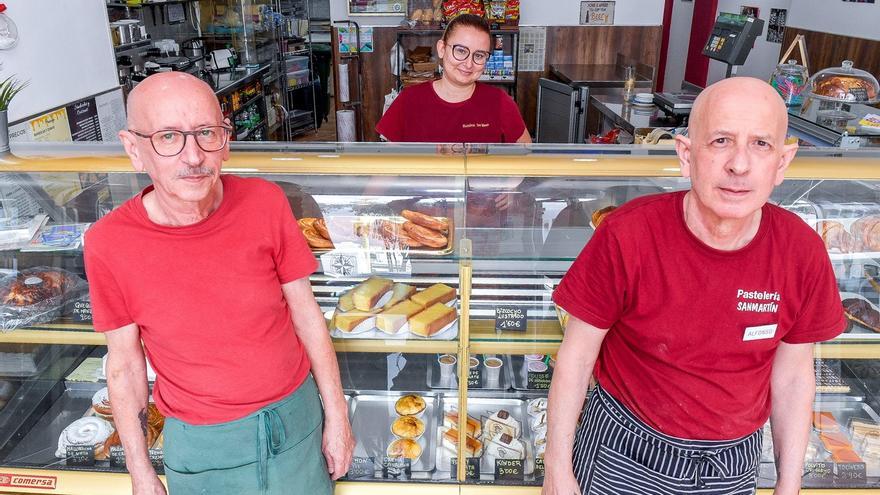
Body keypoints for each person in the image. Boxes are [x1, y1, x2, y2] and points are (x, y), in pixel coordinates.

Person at [543, 77, 846, 495]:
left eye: (761, 144)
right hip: (623, 450)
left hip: (733, 462)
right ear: (686, 155)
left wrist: (788, 484)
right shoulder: (628, 233)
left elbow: (793, 377)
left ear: (783, 161)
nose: (739, 165)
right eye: (720, 140)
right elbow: (576, 357)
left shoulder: (802, 252)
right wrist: (557, 468)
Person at [84, 72, 353, 495]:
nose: (194, 156)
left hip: (296, 419)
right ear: (134, 149)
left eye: (206, 132)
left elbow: (307, 316)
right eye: (169, 137)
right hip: (202, 442)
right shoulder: (107, 244)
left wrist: (336, 416)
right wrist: (140, 470)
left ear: (225, 141)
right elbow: (124, 365)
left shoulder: (266, 201)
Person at [376, 14, 530, 143]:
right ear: (442, 49)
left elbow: (526, 160)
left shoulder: (500, 102)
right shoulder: (408, 100)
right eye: (461, 51)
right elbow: (386, 168)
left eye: (479, 55)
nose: (469, 64)